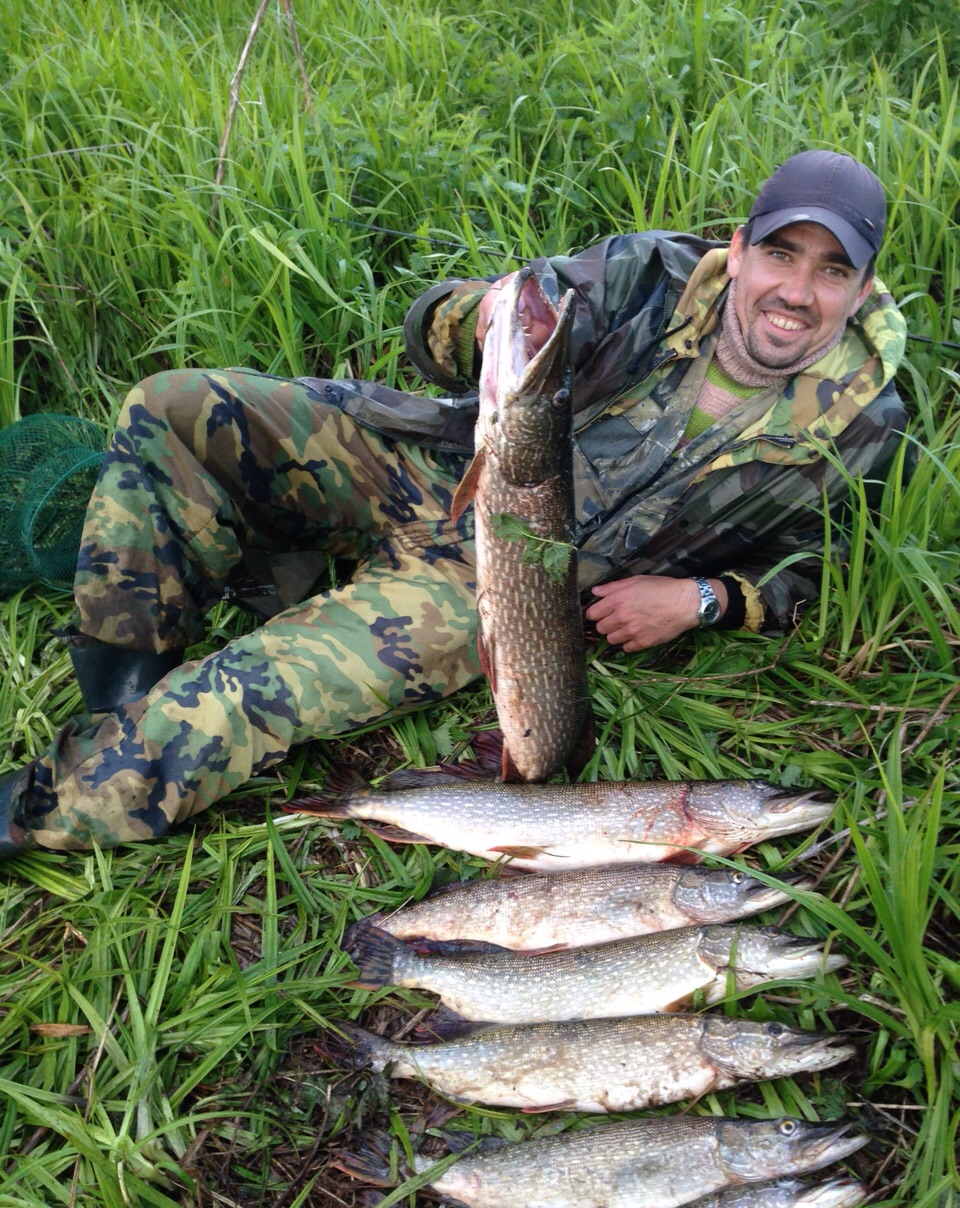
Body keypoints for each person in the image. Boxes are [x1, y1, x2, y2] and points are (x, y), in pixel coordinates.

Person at [0, 150, 907, 855]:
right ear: (740, 249)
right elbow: (444, 328)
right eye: (781, 253)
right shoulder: (649, 276)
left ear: (861, 290)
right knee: (177, 405)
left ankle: (46, 806)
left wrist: (704, 600)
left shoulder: (866, 428)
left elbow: (818, 573)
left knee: (248, 694)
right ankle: (123, 672)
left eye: (832, 271)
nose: (796, 290)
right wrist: (471, 317)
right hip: (439, 461)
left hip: (507, 588)